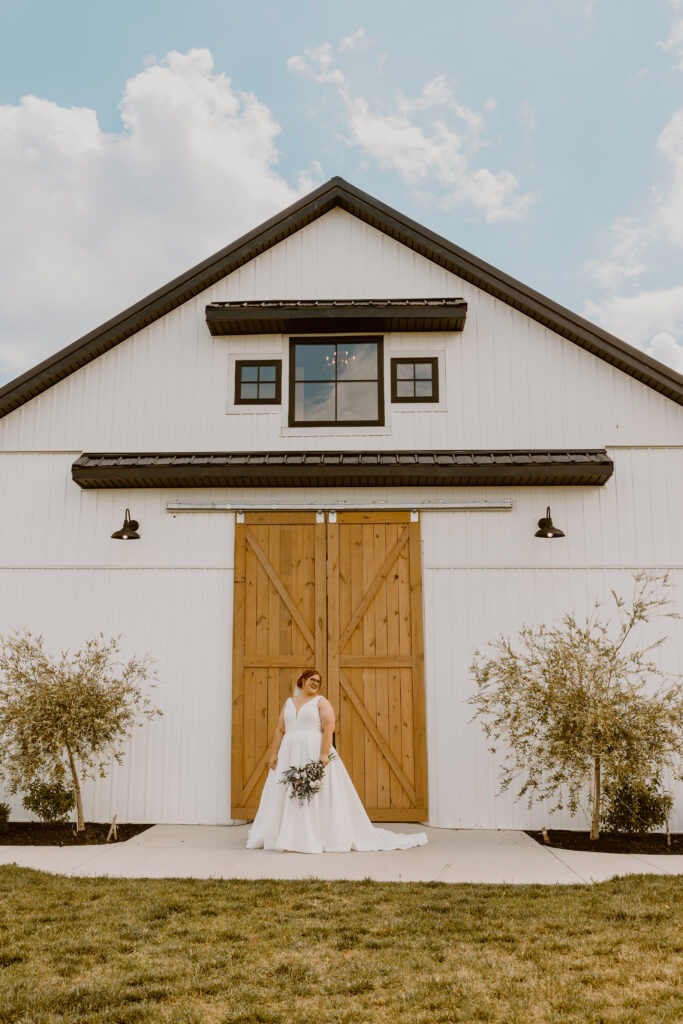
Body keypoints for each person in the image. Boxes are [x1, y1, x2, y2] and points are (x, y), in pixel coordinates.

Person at [246, 668, 428, 853]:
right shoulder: (289, 703)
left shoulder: (321, 702)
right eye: (312, 679)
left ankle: (313, 834)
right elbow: (280, 730)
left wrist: (323, 755)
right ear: (302, 680)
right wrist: (274, 754)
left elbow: (328, 728)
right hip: (289, 753)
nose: (316, 683)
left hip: (313, 751)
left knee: (316, 793)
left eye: (318, 681)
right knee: (285, 791)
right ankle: (286, 834)